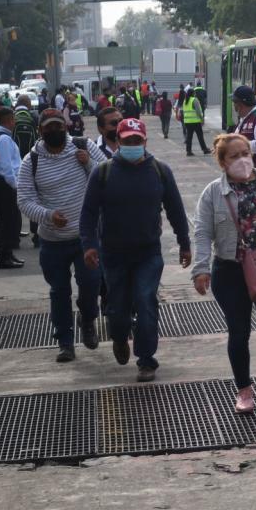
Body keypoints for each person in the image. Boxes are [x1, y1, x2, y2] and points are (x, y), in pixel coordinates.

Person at [80, 118, 192, 382]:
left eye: (136, 141)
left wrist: (185, 243)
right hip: (114, 254)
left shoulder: (159, 171)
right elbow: (88, 213)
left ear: (145, 142)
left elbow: (176, 210)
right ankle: (119, 337)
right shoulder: (103, 172)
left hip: (148, 253)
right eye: (127, 141)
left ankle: (146, 359)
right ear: (117, 142)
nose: (132, 145)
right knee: (117, 309)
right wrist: (89, 246)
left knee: (145, 301)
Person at [193, 134, 256, 413]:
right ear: (222, 162)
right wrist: (200, 269)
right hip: (231, 270)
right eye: (234, 156)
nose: (242, 160)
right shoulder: (213, 192)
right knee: (239, 332)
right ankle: (244, 390)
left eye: (245, 153)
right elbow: (202, 232)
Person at [16, 109, 104, 362]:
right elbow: (24, 200)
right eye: (49, 127)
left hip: (85, 238)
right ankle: (65, 341)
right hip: (52, 241)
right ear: (40, 131)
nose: (54, 130)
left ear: (66, 127)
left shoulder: (83, 146)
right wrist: (47, 214)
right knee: (59, 291)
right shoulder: (30, 161)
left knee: (90, 284)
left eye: (58, 125)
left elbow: (107, 177)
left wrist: (88, 162)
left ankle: (88, 319)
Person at [0, 108, 23, 269]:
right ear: (9, 120)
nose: (14, 123)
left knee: (6, 220)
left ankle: (8, 254)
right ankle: (5, 257)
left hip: (2, 183)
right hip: (5, 185)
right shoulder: (4, 140)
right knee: (8, 220)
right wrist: (15, 186)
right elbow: (6, 166)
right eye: (13, 120)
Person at [179, 87, 210, 156]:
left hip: (187, 122)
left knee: (189, 137)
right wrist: (202, 119)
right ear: (193, 93)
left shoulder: (185, 101)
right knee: (200, 136)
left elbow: (183, 112)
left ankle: (188, 151)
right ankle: (204, 149)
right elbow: (198, 111)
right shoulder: (194, 100)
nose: (195, 94)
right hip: (195, 122)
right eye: (194, 93)